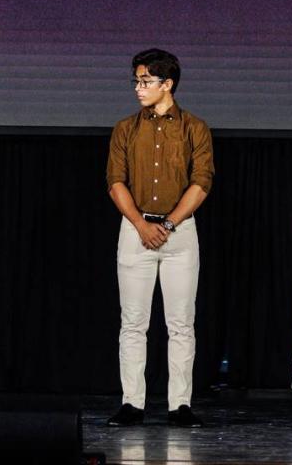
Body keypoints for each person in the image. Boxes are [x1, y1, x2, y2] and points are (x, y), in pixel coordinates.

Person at [105, 48, 214, 428]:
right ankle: (132, 403)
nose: (138, 88)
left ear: (167, 84)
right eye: (136, 81)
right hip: (136, 231)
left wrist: (167, 226)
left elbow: (202, 182)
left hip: (179, 233)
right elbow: (115, 181)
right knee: (133, 322)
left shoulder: (194, 128)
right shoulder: (125, 128)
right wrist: (140, 223)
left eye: (146, 81)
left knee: (181, 323)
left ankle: (179, 405)